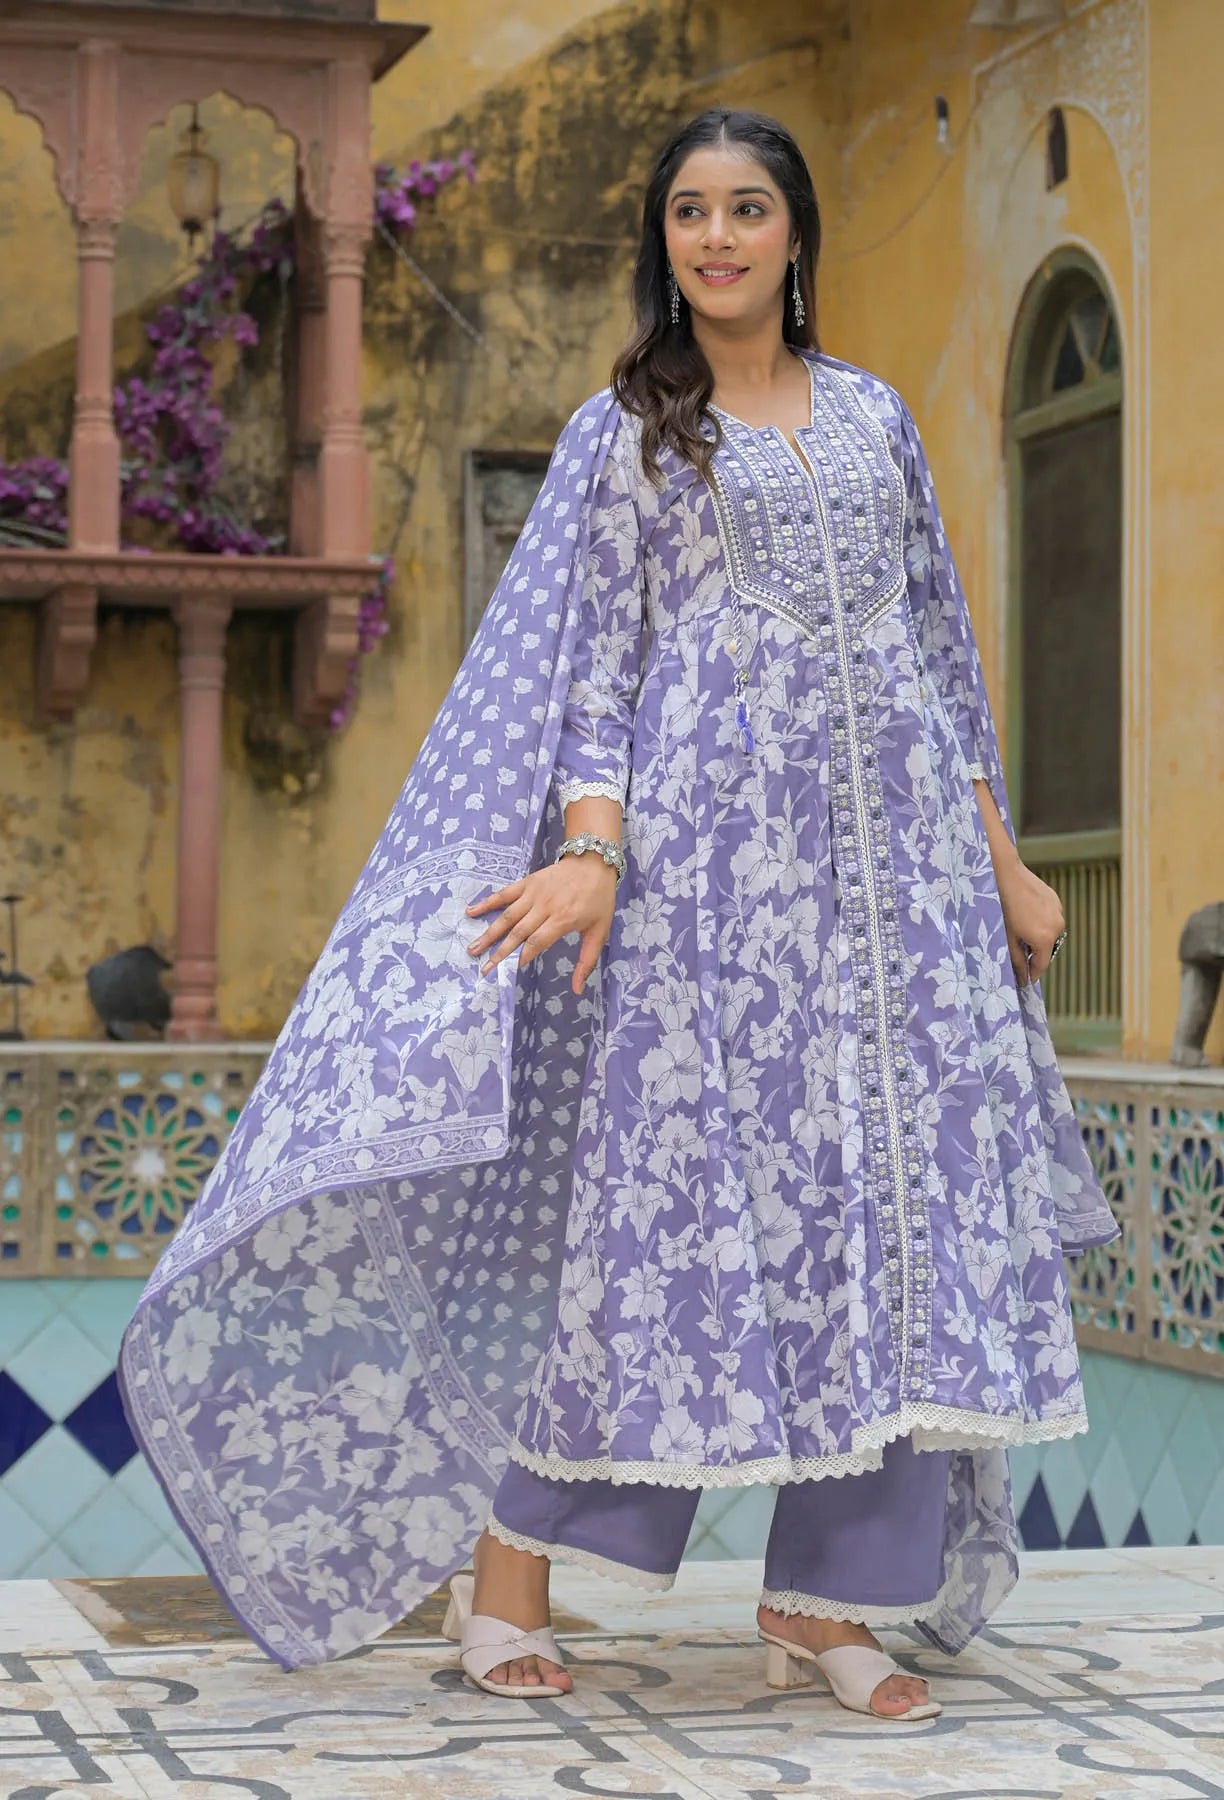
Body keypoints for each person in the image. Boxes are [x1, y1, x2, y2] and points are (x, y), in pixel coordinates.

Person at [118, 108, 1118, 1720]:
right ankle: (505, 1572)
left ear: (795, 233)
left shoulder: (877, 420)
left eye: (744, 210)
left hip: (906, 910)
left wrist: (998, 855)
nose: (715, 239)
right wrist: (593, 844)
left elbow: (939, 654)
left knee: (892, 1228)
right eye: (686, 215)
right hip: (716, 900)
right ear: (666, 245)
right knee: (672, 1239)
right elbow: (595, 672)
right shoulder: (629, 433)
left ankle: (826, 1604)